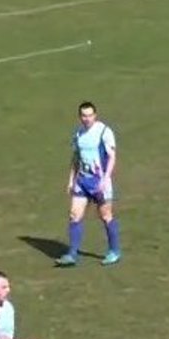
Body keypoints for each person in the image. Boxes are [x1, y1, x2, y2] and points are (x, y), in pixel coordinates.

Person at [56, 101, 121, 267]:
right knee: (74, 215)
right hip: (82, 181)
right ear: (80, 117)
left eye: (90, 115)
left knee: (105, 216)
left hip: (99, 182)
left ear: (95, 115)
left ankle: (114, 251)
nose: (87, 119)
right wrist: (71, 179)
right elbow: (76, 158)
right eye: (84, 115)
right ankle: (72, 254)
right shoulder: (78, 134)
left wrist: (106, 179)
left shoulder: (104, 132)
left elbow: (112, 157)